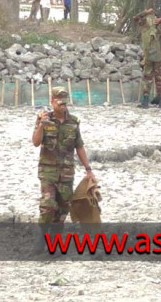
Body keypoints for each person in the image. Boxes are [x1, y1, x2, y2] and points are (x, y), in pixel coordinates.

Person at [32, 87, 94, 251]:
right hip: (48, 172)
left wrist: (88, 169)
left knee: (62, 210)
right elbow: (36, 142)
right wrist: (41, 125)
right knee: (48, 205)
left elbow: (79, 147)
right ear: (52, 102)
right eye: (59, 103)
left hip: (67, 173)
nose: (63, 107)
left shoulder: (73, 123)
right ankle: (42, 237)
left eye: (65, 104)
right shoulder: (44, 120)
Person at [134, 8, 161, 109]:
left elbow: (136, 17)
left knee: (147, 78)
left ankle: (145, 102)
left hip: (148, 56)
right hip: (158, 56)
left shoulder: (144, 26)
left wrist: (145, 12)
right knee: (159, 79)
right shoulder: (160, 28)